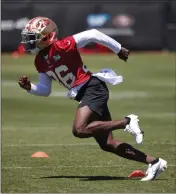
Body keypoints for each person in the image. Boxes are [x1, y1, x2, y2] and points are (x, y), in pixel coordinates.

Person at [19, 16, 167, 181]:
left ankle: (127, 122)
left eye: (33, 38)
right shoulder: (40, 61)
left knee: (79, 129)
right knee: (107, 144)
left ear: (47, 36)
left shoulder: (63, 45)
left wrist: (118, 49)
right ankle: (154, 162)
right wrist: (30, 88)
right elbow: (45, 90)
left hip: (92, 88)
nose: (30, 42)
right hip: (86, 93)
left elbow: (93, 33)